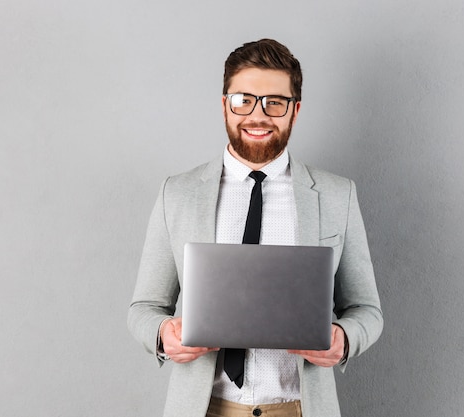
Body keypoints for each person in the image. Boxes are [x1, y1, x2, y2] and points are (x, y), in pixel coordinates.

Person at [128, 39, 383, 417]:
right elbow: (144, 307)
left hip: (298, 409)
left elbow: (366, 310)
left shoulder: (336, 196)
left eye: (274, 103)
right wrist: (164, 335)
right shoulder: (177, 194)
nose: (257, 115)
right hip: (204, 408)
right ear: (224, 105)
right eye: (243, 99)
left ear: (294, 111)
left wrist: (343, 340)